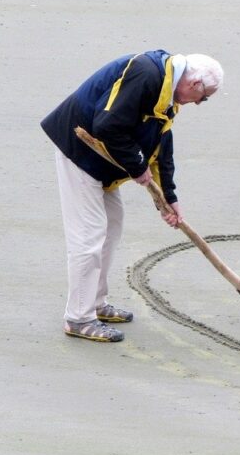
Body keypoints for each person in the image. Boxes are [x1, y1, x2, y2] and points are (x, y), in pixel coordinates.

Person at [41, 50, 223, 342]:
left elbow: (161, 142)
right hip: (79, 152)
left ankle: (95, 304)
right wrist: (138, 168)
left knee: (112, 226)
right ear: (195, 83)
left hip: (102, 161)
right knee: (89, 236)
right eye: (204, 97)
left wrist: (168, 198)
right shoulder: (147, 74)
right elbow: (106, 125)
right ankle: (78, 318)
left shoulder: (169, 92)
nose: (200, 104)